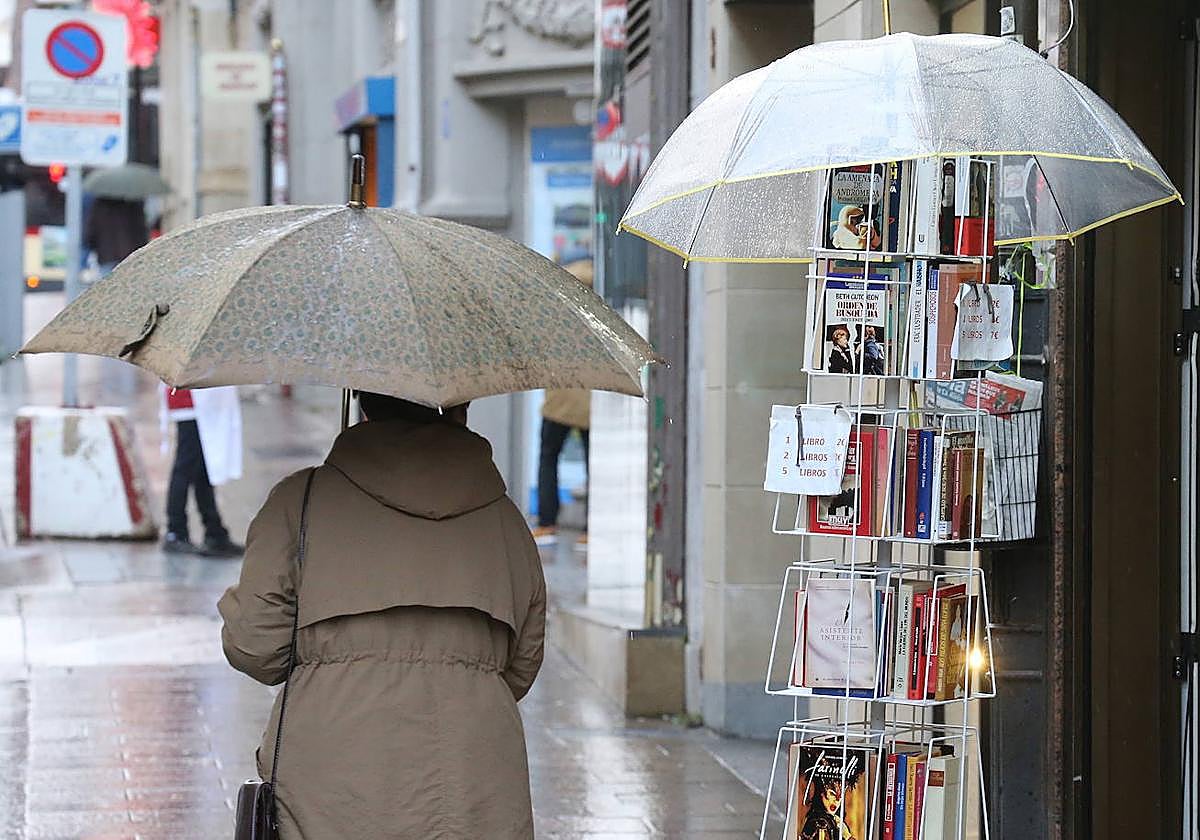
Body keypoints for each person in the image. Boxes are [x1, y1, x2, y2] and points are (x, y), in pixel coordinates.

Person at [218, 392, 546, 838]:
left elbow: (255, 648)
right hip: (475, 772)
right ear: (453, 406)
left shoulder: (303, 501)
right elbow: (523, 663)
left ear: (363, 404)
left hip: (331, 776)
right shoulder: (505, 518)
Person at [532, 259, 593, 545]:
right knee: (592, 463)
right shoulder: (598, 318)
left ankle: (547, 522)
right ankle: (589, 528)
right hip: (589, 403)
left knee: (548, 457)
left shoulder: (554, 316)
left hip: (558, 401)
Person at [161, 385, 244, 556]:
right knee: (186, 466)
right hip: (191, 400)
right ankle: (175, 531)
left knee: (203, 469)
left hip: (199, 400)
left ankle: (214, 531)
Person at [84, 197, 148, 277]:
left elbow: (91, 232)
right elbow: (141, 230)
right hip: (130, 255)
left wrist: (93, 245)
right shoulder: (134, 203)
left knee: (108, 286)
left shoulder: (100, 205)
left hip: (106, 255)